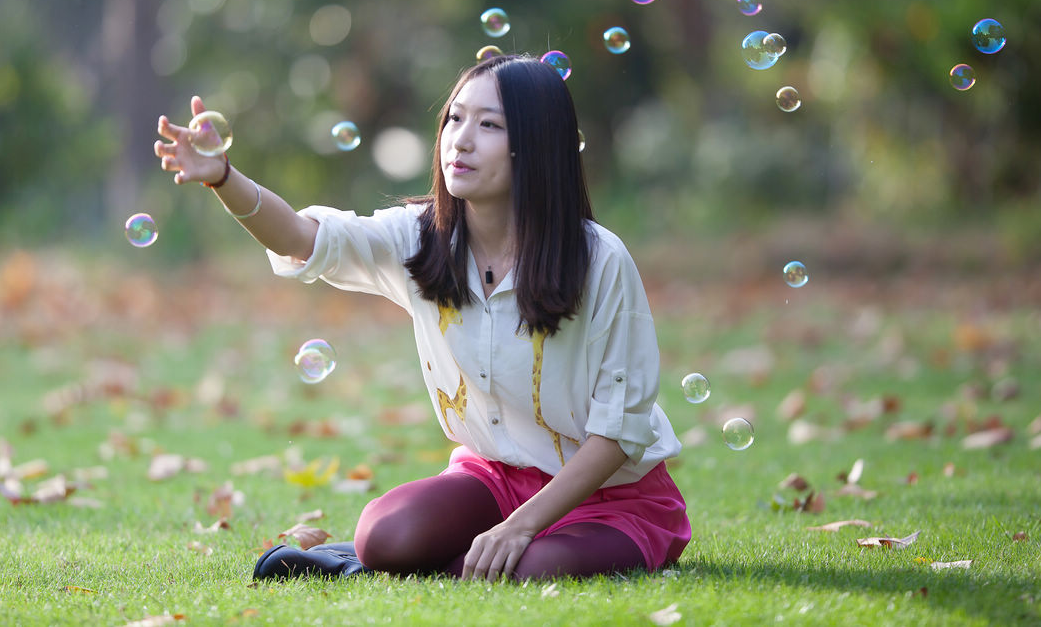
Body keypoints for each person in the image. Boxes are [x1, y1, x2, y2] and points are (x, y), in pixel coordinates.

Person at [154, 54, 689, 581]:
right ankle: (382, 559)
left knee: (532, 567)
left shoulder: (598, 259)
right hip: (496, 480)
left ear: (535, 143)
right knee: (383, 534)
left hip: (611, 496)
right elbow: (301, 237)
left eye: (489, 125)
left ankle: (412, 564)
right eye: (454, 119)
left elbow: (618, 432)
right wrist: (222, 176)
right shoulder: (421, 238)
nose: (461, 139)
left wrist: (521, 528)